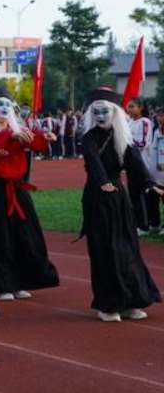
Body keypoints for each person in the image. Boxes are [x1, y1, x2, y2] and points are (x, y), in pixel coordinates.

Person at [79, 89, 162, 322]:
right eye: (96, 112)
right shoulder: (88, 138)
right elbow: (93, 162)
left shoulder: (122, 136)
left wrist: (150, 183)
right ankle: (108, 304)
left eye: (105, 111)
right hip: (97, 198)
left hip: (118, 198)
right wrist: (103, 181)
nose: (101, 116)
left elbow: (135, 163)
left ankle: (131, 300)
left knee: (127, 247)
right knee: (105, 249)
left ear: (114, 112)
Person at [0, 88, 60, 300]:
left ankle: (19, 280)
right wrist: (11, 135)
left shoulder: (19, 129)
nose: (4, 108)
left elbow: (34, 140)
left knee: (24, 234)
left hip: (19, 189)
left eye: (7, 104)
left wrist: (46, 137)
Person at [127, 97, 153, 234]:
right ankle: (139, 223)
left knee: (140, 195)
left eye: (132, 106)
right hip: (131, 164)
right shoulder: (130, 122)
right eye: (128, 106)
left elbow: (143, 143)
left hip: (141, 163)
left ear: (140, 108)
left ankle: (144, 226)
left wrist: (126, 142)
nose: (129, 108)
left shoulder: (144, 122)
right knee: (134, 195)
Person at [145, 108, 164, 234]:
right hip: (154, 173)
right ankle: (155, 223)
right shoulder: (156, 131)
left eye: (162, 115)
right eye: (158, 115)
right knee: (152, 199)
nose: (159, 118)